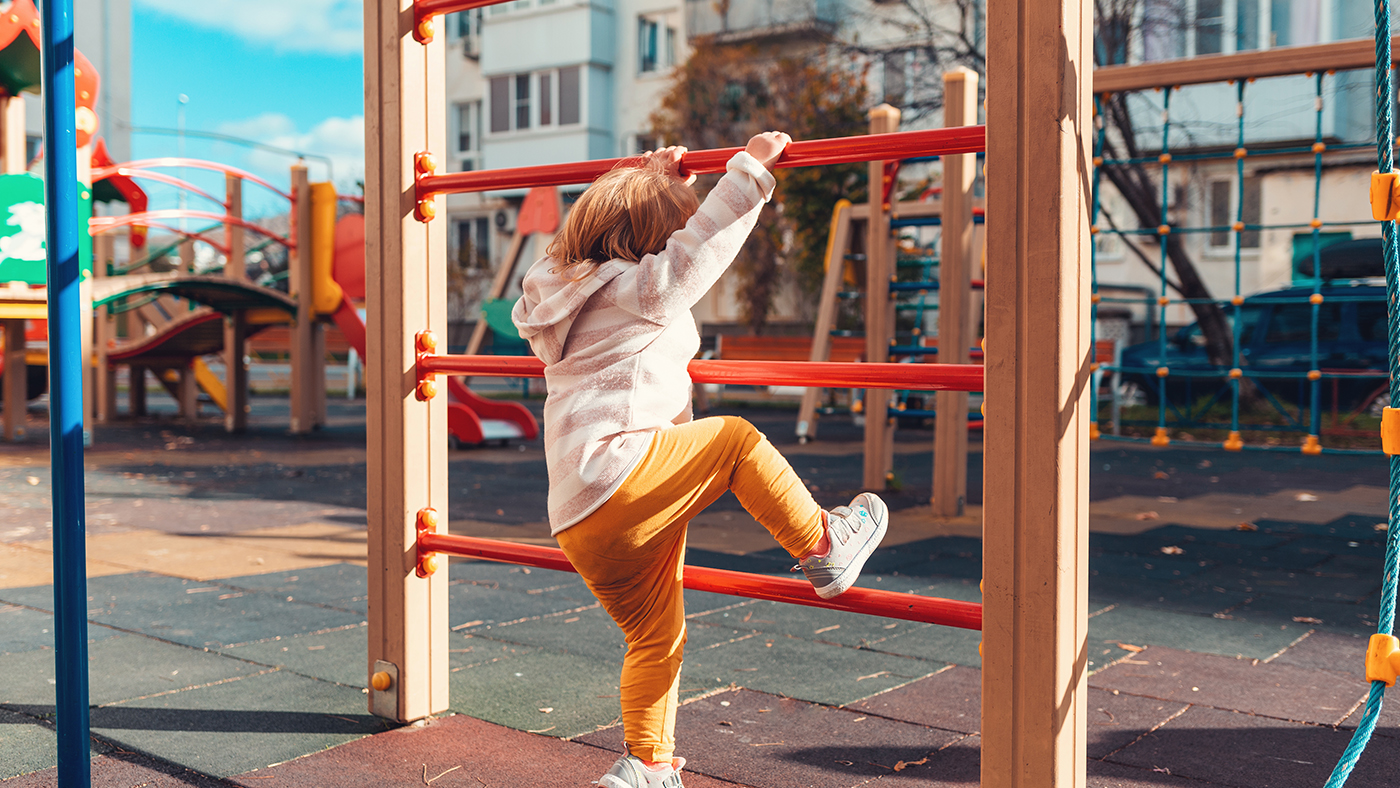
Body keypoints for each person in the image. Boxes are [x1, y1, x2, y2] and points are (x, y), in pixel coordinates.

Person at [512, 132, 888, 788]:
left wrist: (656, 182)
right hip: (622, 474)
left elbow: (633, 225)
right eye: (665, 233)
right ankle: (825, 544)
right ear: (649, 246)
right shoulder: (644, 288)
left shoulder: (553, 292)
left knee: (657, 639)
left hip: (577, 518)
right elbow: (700, 248)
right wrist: (750, 173)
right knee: (736, 440)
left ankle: (648, 766)